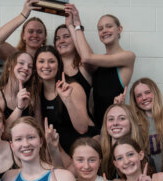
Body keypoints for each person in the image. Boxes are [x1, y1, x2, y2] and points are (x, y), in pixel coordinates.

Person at [65, 4, 135, 133]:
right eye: (100, 28)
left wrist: (78, 24)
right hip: (98, 126)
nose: (104, 30)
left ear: (119, 29)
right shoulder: (98, 60)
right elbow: (83, 52)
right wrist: (71, 25)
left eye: (109, 26)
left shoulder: (128, 56)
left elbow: (86, 57)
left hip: (116, 127)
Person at [33, 45, 95, 154]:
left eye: (51, 61)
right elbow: (40, 129)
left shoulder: (73, 87)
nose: (46, 66)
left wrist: (67, 100)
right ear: (35, 65)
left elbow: (82, 128)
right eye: (41, 61)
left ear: (59, 65)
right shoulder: (37, 91)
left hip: (82, 144)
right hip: (57, 149)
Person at [129, 77, 163, 172]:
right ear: (135, 101)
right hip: (151, 177)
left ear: (155, 93)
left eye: (147, 92)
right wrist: (118, 107)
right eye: (139, 95)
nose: (144, 98)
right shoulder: (134, 122)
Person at [0, 51, 41, 130]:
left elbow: (39, 130)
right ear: (9, 67)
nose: (26, 68)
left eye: (30, 66)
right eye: (21, 63)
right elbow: (0, 133)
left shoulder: (33, 97)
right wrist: (19, 108)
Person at [100, 103, 144, 179]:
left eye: (122, 118)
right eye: (111, 119)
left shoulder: (142, 154)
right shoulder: (99, 156)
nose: (115, 123)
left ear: (131, 122)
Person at [53, 24, 93, 105]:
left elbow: (88, 56)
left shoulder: (84, 66)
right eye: (58, 38)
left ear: (75, 39)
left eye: (66, 36)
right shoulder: (52, 68)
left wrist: (74, 25)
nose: (61, 41)